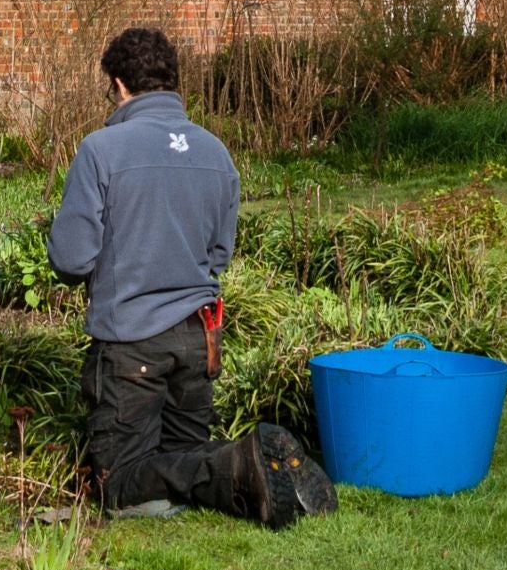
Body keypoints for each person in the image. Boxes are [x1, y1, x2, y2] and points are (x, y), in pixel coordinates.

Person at [48, 27, 335, 527]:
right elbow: (219, 253)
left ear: (118, 85)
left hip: (130, 342)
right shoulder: (216, 153)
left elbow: (71, 259)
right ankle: (254, 471)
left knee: (117, 483)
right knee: (184, 461)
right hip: (197, 339)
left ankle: (237, 459)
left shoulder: (102, 149)